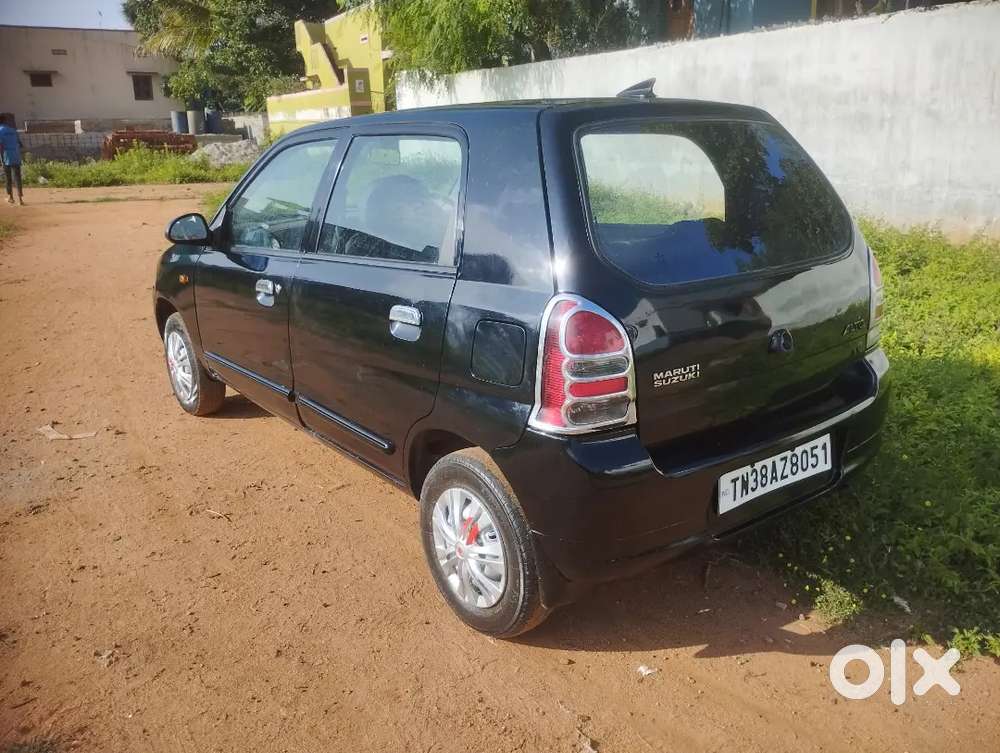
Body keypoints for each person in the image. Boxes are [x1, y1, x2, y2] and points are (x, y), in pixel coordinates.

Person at [0, 113, 25, 206]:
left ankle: (10, 197)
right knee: (17, 177)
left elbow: (0, 145)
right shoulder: (13, 130)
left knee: (8, 177)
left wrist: (1, 158)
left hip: (7, 155)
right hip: (16, 154)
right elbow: (20, 143)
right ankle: (20, 199)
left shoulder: (0, 131)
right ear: (5, 121)